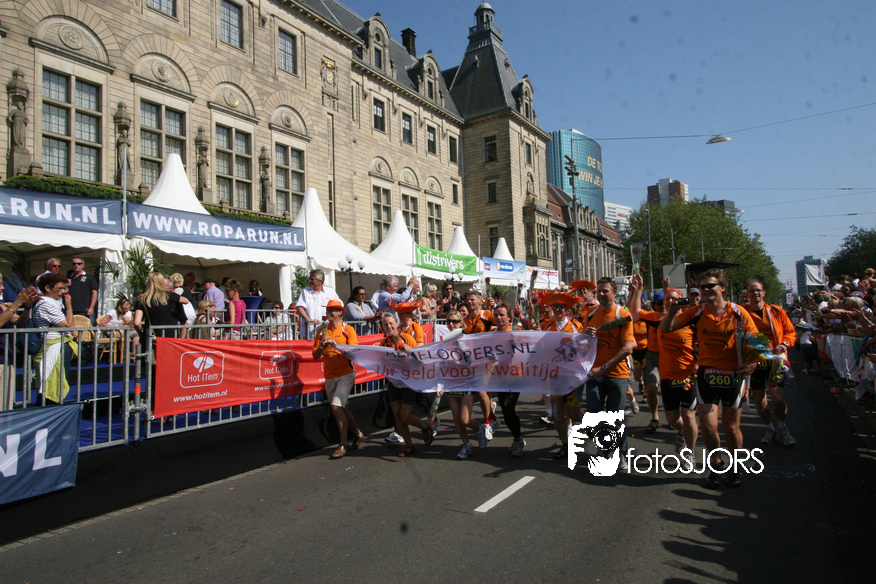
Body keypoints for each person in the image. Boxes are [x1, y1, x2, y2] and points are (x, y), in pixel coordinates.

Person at [661, 268, 759, 488]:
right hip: (707, 374)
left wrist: (752, 362)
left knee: (731, 427)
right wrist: (671, 312)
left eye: (710, 286)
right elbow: (666, 330)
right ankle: (716, 464)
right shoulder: (696, 312)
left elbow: (755, 339)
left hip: (733, 374)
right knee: (707, 427)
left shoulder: (738, 312)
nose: (705, 290)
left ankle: (735, 467)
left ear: (722, 288)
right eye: (702, 287)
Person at [629, 275, 698, 470]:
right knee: (673, 419)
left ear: (681, 301)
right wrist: (639, 288)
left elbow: (702, 341)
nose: (669, 302)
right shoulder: (658, 319)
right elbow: (635, 312)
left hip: (687, 375)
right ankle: (682, 432)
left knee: (689, 415)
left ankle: (690, 452)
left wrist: (698, 362)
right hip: (667, 375)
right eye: (667, 299)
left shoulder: (690, 319)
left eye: (674, 299)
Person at [581, 277, 636, 472]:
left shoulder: (623, 315)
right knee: (595, 414)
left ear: (614, 293)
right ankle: (605, 448)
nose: (601, 294)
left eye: (605, 291)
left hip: (616, 373)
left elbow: (628, 348)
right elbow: (579, 342)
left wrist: (603, 367)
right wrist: (584, 334)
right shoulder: (590, 313)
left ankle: (620, 452)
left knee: (615, 417)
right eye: (599, 291)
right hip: (594, 373)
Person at [744, 279, 798, 447]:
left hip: (776, 360)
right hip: (756, 360)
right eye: (752, 291)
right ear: (747, 294)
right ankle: (769, 428)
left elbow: (790, 332)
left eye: (758, 290)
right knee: (759, 399)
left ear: (763, 292)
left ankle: (782, 427)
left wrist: (784, 344)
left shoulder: (776, 311)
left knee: (777, 397)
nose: (755, 293)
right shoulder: (742, 313)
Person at [313, 299, 365, 459]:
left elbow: (353, 352)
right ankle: (359, 434)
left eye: (332, 310)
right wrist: (321, 348)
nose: (329, 312)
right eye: (328, 309)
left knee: (336, 407)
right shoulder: (321, 330)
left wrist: (335, 344)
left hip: (345, 373)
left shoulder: (348, 329)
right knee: (343, 408)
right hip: (329, 375)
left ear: (340, 312)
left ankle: (343, 444)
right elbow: (314, 355)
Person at [379, 312, 432, 457]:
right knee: (397, 415)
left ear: (397, 324)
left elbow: (419, 357)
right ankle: (409, 445)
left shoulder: (407, 338)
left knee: (405, 415)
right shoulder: (384, 343)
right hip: (394, 382)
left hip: (408, 381)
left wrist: (404, 347)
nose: (389, 326)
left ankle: (424, 427)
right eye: (385, 324)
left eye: (391, 323)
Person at [543, 292, 585, 459]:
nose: (558, 310)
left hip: (572, 377)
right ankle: (566, 445)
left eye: (561, 307)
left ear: (567, 310)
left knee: (574, 414)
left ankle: (595, 422)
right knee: (557, 414)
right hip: (555, 377)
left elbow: (585, 348)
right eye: (555, 307)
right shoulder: (547, 326)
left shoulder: (576, 326)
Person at [439, 310, 481, 459]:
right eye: (448, 321)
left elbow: (474, 360)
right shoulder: (444, 341)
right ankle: (466, 445)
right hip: (452, 382)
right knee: (456, 419)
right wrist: (440, 384)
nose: (451, 324)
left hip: (467, 382)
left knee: (464, 419)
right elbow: (441, 363)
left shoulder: (467, 339)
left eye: (455, 321)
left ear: (461, 323)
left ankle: (479, 429)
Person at [32, 273, 77, 404]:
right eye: (60, 288)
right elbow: (68, 325)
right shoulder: (46, 304)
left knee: (57, 383)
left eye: (64, 288)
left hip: (59, 345)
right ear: (47, 288)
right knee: (49, 385)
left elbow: (69, 326)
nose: (63, 292)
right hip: (52, 348)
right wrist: (69, 307)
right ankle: (47, 411)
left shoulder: (54, 303)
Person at [493, 303, 527, 457]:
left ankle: (518, 440)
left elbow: (528, 350)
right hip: (499, 377)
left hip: (515, 377)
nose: (499, 318)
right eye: (496, 315)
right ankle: (517, 437)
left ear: (509, 317)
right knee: (506, 411)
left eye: (502, 315)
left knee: (508, 407)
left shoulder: (517, 331)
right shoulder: (491, 333)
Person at [0, 282, 38, 410]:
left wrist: (27, 308)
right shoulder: (7, 306)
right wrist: (17, 303)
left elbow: (19, 322)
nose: (3, 288)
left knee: (5, 405)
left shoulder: (2, 306)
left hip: (5, 360)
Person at [132, 272, 190, 342]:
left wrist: (141, 333)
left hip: (150, 338)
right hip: (169, 337)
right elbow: (186, 301)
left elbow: (136, 323)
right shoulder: (170, 296)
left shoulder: (142, 299)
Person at [296, 269, 340, 339]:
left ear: (320, 281)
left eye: (312, 279)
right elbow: (300, 307)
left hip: (327, 330)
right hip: (310, 331)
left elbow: (339, 306)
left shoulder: (330, 292)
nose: (309, 281)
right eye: (309, 278)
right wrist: (309, 320)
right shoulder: (305, 291)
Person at [66, 257, 99, 322]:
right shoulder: (69, 277)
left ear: (83, 265)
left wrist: (91, 307)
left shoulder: (89, 277)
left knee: (83, 326)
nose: (76, 265)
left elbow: (94, 292)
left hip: (84, 309)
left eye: (79, 264)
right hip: (70, 308)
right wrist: (66, 285)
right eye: (74, 264)